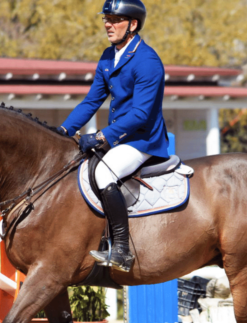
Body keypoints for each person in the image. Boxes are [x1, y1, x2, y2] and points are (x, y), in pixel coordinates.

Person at [57, 0, 168, 272]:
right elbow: (90, 102)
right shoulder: (108, 56)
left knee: (105, 174)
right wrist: (62, 131)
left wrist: (101, 137)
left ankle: (121, 250)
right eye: (106, 18)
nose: (108, 24)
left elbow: (141, 114)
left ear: (133, 24)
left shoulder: (148, 61)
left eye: (115, 19)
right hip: (120, 138)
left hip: (143, 140)